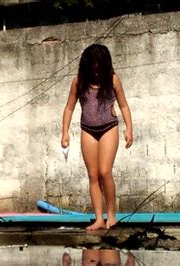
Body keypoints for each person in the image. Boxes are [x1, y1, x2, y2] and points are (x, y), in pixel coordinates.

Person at [61, 44, 133, 230]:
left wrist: (129, 128)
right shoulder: (79, 82)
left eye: (99, 66)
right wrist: (65, 132)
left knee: (104, 171)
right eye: (93, 66)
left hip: (109, 127)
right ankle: (99, 218)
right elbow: (69, 107)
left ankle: (111, 216)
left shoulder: (113, 80)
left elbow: (124, 105)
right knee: (93, 175)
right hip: (88, 129)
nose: (96, 71)